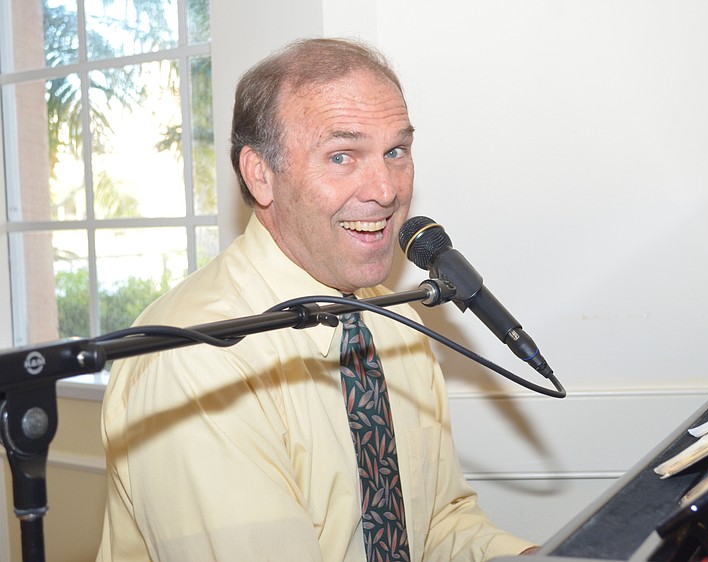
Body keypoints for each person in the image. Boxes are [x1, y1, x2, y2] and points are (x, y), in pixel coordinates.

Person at [97, 38, 539, 561]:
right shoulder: (196, 359)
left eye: (395, 151)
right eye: (341, 155)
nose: (386, 189)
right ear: (261, 174)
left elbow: (439, 523)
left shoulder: (395, 319)